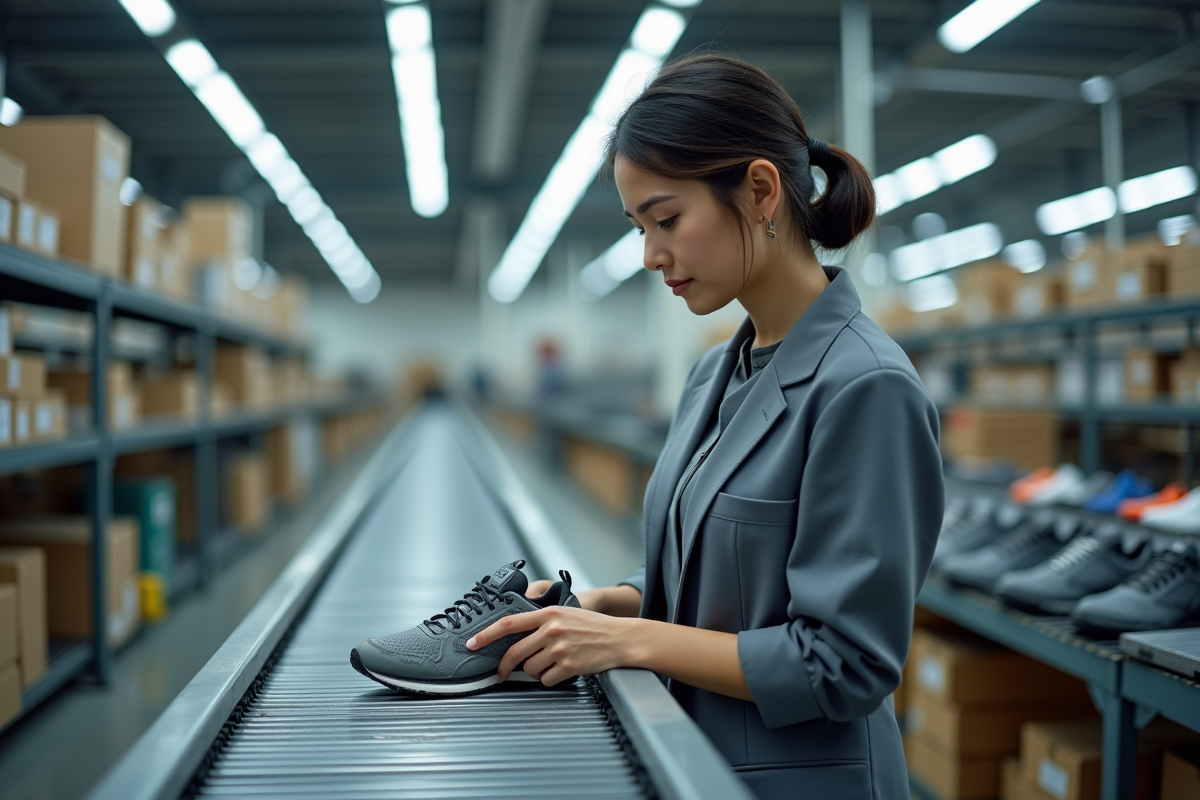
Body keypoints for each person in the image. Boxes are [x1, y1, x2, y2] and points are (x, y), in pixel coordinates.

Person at [467, 53, 943, 799]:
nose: (651, 255)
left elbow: (845, 665)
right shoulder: (715, 372)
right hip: (694, 758)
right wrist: (596, 606)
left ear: (759, 191)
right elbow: (709, 582)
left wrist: (625, 642)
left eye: (666, 220)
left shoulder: (866, 389)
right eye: (638, 226)